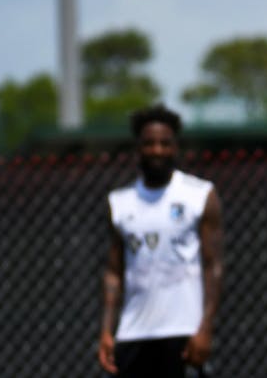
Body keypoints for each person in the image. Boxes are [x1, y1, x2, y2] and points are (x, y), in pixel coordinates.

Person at [99, 104, 224, 376]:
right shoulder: (120, 202)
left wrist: (205, 327)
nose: (157, 150)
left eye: (165, 143)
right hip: (134, 333)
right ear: (138, 148)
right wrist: (107, 330)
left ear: (175, 147)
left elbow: (212, 265)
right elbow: (114, 272)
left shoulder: (199, 195)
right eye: (150, 143)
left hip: (184, 333)